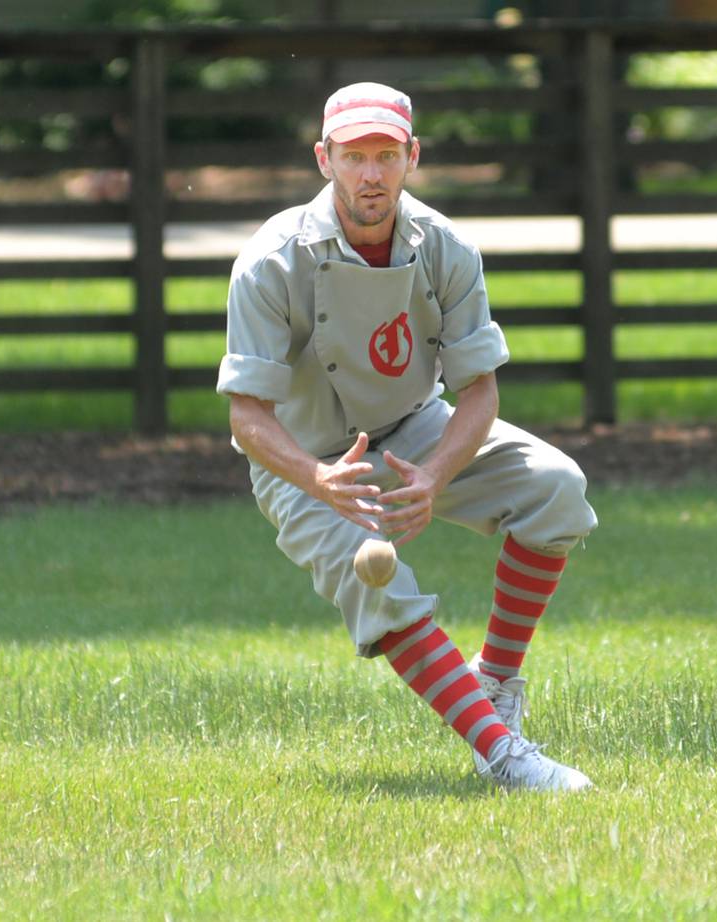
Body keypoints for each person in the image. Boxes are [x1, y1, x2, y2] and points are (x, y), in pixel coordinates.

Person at [217, 82, 598, 791]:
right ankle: (503, 755)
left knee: (557, 491)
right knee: (382, 593)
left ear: (412, 156)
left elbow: (479, 388)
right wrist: (317, 479)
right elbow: (247, 417)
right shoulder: (270, 260)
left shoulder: (446, 245)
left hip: (415, 427)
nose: (371, 173)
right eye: (354, 155)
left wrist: (436, 476)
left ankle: (498, 685)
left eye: (386, 154)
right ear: (323, 158)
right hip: (302, 457)